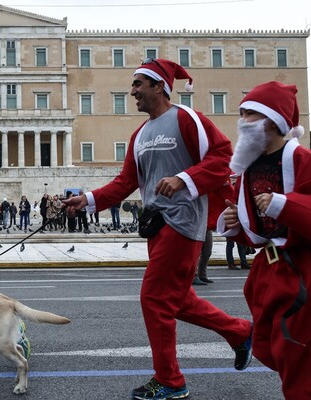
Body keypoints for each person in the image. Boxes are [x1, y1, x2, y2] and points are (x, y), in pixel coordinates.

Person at [63, 58, 252, 400]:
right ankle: (239, 331)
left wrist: (183, 179)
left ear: (159, 87)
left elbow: (224, 157)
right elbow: (125, 182)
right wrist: (87, 200)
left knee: (154, 298)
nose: (132, 91)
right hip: (156, 226)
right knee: (176, 300)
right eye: (133, 85)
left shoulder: (186, 118)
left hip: (183, 224)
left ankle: (170, 380)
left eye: (138, 84)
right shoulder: (139, 135)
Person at [216, 81, 310, 400]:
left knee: (297, 355)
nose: (242, 121)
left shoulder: (302, 160)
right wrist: (234, 226)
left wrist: (284, 203)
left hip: (301, 273)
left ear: (271, 120)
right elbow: (257, 229)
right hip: (267, 274)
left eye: (250, 115)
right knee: (276, 349)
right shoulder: (248, 168)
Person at [193, 181, 236, 285]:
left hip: (206, 222)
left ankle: (202, 275)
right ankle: (194, 276)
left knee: (207, 251)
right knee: (196, 252)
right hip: (197, 221)